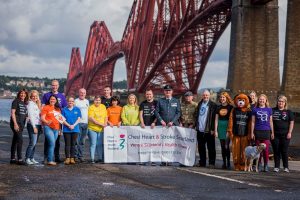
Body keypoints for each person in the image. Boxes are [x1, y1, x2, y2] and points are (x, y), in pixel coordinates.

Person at [42, 80, 67, 163]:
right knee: (48, 141)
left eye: (56, 85)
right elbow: (43, 107)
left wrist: (62, 126)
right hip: (48, 124)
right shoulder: (46, 95)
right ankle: (46, 158)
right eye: (53, 85)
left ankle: (56, 157)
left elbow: (64, 109)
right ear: (51, 86)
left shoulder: (62, 96)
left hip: (57, 123)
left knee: (57, 142)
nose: (54, 87)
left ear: (58, 86)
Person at [251, 94, 274, 172]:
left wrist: (272, 132)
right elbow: (253, 122)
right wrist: (252, 133)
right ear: (258, 100)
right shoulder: (255, 109)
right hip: (257, 131)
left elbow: (271, 122)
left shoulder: (269, 109)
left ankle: (266, 165)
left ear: (266, 100)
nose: (261, 100)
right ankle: (259, 164)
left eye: (263, 99)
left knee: (266, 149)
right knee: (258, 150)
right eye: (260, 99)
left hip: (266, 131)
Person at [194, 89, 217, 168]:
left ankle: (211, 163)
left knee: (211, 147)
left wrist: (213, 129)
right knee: (201, 147)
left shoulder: (213, 105)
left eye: (207, 95)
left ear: (209, 96)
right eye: (204, 95)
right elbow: (196, 115)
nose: (205, 96)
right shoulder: (200, 104)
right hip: (200, 129)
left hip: (209, 130)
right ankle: (202, 162)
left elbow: (214, 118)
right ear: (202, 96)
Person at [272, 95, 294, 173]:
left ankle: (286, 167)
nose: (280, 103)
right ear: (277, 102)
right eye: (279, 101)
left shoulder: (289, 112)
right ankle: (276, 167)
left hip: (285, 134)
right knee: (276, 150)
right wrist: (271, 133)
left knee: (284, 151)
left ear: (285, 103)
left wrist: (290, 132)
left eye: (282, 101)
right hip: (275, 134)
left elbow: (291, 123)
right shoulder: (273, 110)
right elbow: (270, 122)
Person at [41, 95, 62, 166]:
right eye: (51, 99)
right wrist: (47, 122)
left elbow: (60, 120)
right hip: (48, 127)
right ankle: (50, 160)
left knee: (52, 144)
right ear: (49, 100)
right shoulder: (46, 107)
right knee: (52, 143)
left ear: (56, 100)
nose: (52, 100)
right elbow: (42, 118)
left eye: (54, 99)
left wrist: (60, 129)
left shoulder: (58, 109)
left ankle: (48, 159)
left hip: (56, 129)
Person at [214, 92, 233, 169]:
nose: (222, 99)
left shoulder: (230, 107)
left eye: (223, 97)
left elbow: (231, 119)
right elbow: (216, 119)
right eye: (221, 97)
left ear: (227, 98)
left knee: (226, 146)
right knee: (222, 146)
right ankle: (224, 162)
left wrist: (229, 130)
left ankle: (228, 162)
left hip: (227, 127)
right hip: (220, 127)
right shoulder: (218, 107)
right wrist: (215, 130)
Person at [10, 89, 28, 165]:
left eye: (24, 94)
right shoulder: (16, 101)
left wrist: (27, 117)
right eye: (21, 93)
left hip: (21, 124)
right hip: (16, 123)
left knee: (15, 140)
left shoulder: (24, 103)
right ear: (19, 94)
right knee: (20, 140)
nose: (22, 95)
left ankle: (12, 158)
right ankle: (20, 159)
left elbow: (24, 114)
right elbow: (13, 113)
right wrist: (15, 124)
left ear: (26, 95)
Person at [62, 97, 82, 165]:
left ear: (74, 102)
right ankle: (67, 158)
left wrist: (73, 125)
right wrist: (69, 125)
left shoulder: (77, 109)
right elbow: (62, 120)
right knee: (67, 144)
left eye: (72, 101)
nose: (70, 102)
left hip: (75, 129)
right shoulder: (64, 109)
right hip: (66, 129)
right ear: (67, 102)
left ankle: (72, 158)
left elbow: (79, 119)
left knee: (73, 144)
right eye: (69, 101)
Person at [88, 96, 107, 163]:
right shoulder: (91, 107)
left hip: (101, 129)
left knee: (99, 144)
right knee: (93, 144)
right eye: (96, 100)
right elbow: (92, 119)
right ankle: (92, 159)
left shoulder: (103, 107)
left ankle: (100, 158)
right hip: (92, 128)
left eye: (99, 100)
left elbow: (105, 116)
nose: (97, 101)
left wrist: (105, 124)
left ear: (100, 101)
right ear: (94, 101)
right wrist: (102, 124)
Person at [25, 90, 42, 165]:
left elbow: (38, 116)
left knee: (35, 143)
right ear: (30, 97)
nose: (34, 97)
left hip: (38, 125)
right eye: (33, 96)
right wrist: (34, 127)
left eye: (36, 96)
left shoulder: (36, 104)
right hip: (32, 125)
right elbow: (31, 116)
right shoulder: (30, 104)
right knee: (32, 143)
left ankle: (32, 158)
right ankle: (27, 158)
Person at [74, 88, 89, 162]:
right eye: (81, 92)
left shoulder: (87, 101)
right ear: (78, 93)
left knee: (82, 141)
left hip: (85, 123)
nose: (82, 94)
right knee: (77, 141)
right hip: (78, 123)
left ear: (85, 94)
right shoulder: (76, 101)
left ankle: (81, 156)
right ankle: (75, 156)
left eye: (84, 93)